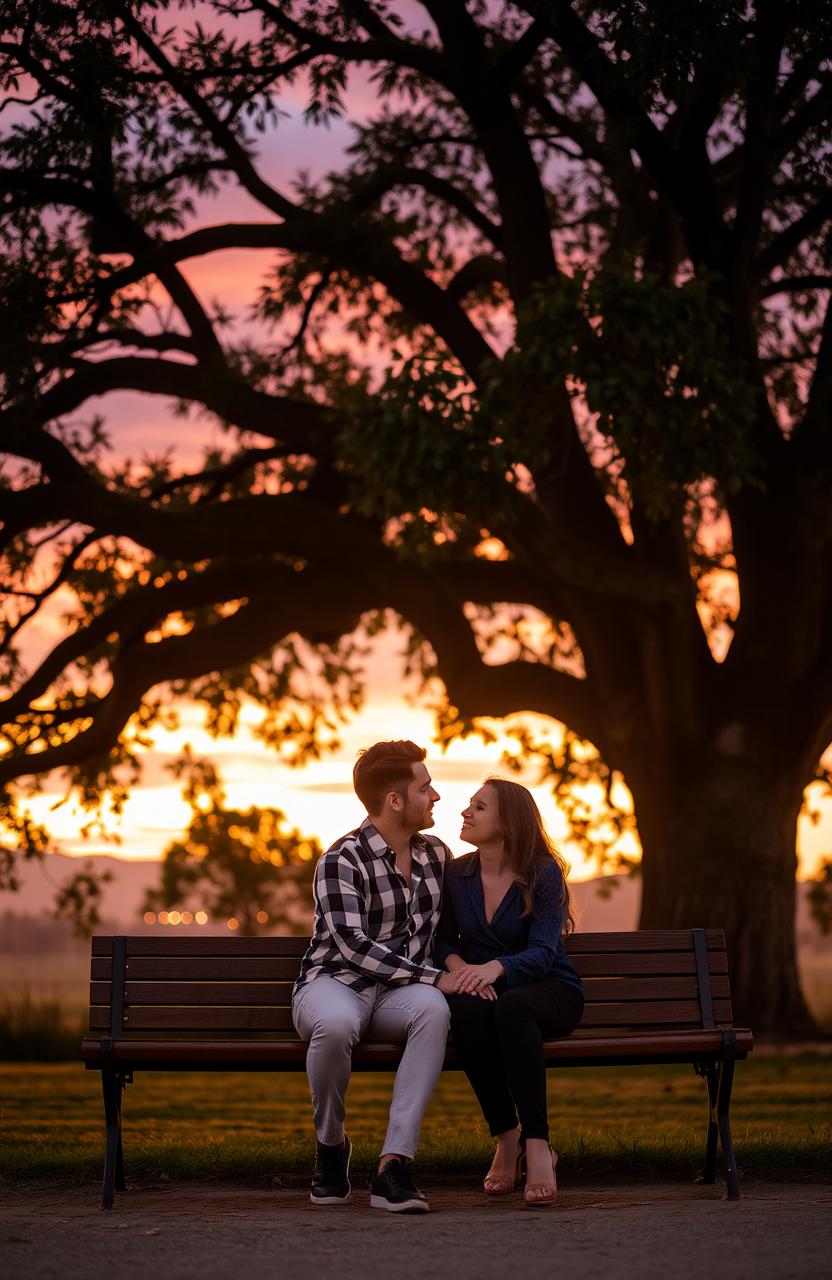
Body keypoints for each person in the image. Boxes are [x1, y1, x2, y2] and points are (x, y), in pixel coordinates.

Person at [292, 740, 461, 1213]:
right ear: (395, 800)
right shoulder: (340, 860)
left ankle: (394, 1166)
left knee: (434, 1012)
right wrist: (431, 977)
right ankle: (331, 1147)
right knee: (336, 1025)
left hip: (399, 995)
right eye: (425, 787)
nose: (436, 796)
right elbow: (351, 946)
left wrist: (451, 973)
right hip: (333, 984)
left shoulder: (436, 857)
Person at [436, 777, 584, 1208]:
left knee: (513, 1008)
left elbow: (542, 951)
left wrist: (494, 969)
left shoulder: (542, 873)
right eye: (469, 805)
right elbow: (445, 941)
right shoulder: (457, 873)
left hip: (549, 990)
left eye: (479, 807)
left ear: (508, 822)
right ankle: (507, 1138)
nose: (465, 812)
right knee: (466, 1013)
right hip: (483, 988)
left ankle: (538, 1146)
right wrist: (463, 970)